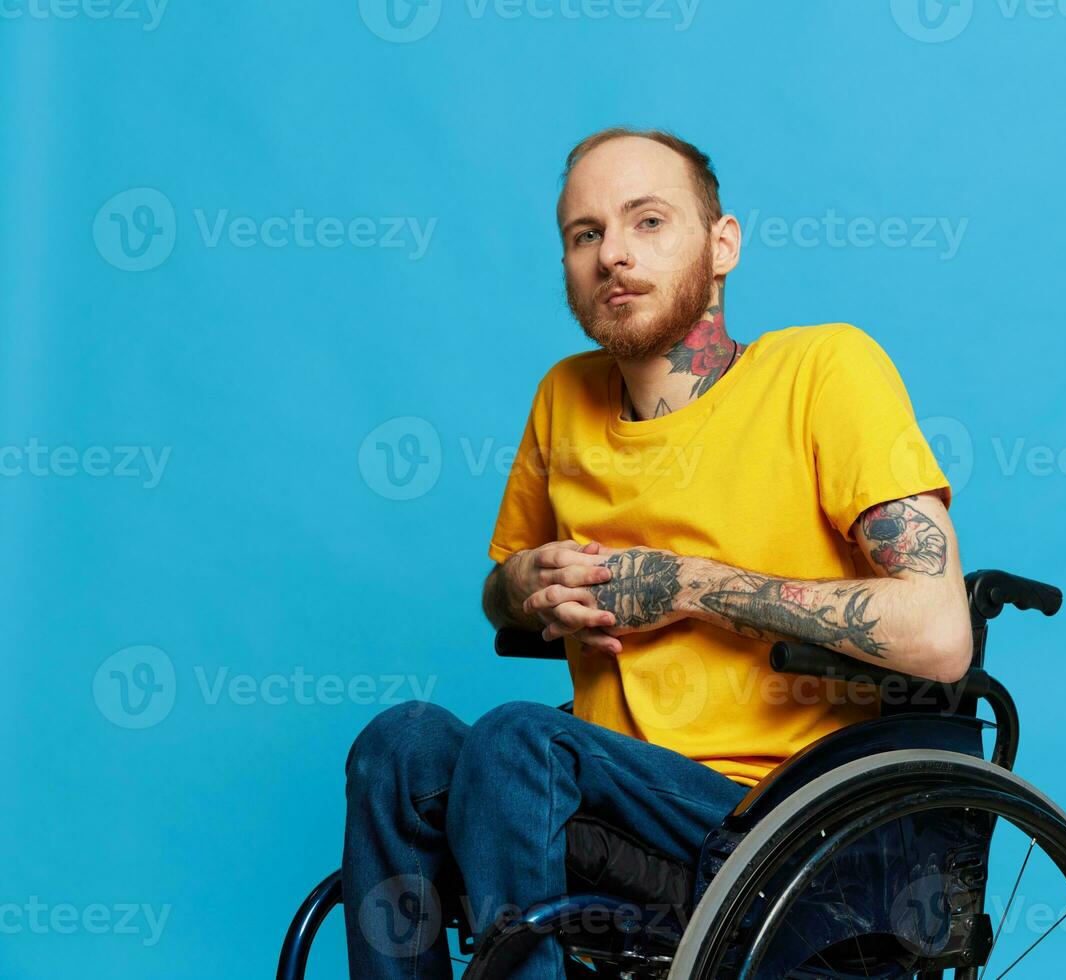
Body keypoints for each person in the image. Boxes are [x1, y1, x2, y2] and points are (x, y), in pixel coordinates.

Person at [342, 127, 971, 979]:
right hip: (603, 784)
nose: (613, 256)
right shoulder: (564, 398)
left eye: (648, 222)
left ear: (722, 245)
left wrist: (688, 585)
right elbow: (501, 597)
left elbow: (939, 634)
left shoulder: (824, 371)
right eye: (586, 233)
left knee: (518, 740)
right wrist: (520, 584)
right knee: (400, 742)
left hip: (769, 803)